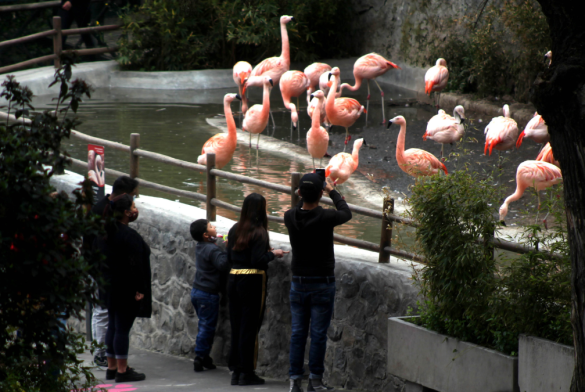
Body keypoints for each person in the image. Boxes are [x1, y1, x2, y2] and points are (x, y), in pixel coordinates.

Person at [284, 173, 352, 392]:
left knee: (297, 334)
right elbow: (346, 212)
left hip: (298, 283)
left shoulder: (289, 216)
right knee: (318, 335)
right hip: (322, 283)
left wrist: (304, 192)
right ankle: (315, 381)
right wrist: (331, 190)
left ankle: (294, 381)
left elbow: (299, 207)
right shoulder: (325, 217)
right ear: (320, 193)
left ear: (299, 193)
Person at [227, 193, 288, 386]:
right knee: (250, 327)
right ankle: (247, 372)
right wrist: (273, 254)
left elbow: (230, 256)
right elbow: (257, 260)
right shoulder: (260, 232)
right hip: (252, 281)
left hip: (233, 278)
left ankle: (237, 371)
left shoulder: (234, 229)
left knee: (237, 326)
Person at [94, 194, 151, 382]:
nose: (136, 210)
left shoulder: (104, 232)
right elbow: (136, 265)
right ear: (127, 212)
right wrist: (140, 289)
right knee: (122, 329)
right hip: (125, 288)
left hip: (108, 287)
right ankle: (122, 370)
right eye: (133, 207)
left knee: (113, 325)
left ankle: (111, 368)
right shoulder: (129, 235)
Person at [90, 176, 139, 368]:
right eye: (133, 198)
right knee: (107, 317)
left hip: (106, 273)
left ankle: (111, 363)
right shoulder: (103, 216)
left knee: (110, 319)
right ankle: (110, 360)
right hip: (107, 274)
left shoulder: (110, 223)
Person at [189, 219, 231, 372]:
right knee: (207, 326)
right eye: (211, 227)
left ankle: (205, 356)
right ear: (206, 235)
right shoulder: (212, 250)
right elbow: (223, 264)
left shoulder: (200, 246)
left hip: (197, 291)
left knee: (204, 324)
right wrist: (227, 249)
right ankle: (200, 357)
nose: (215, 227)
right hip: (208, 294)